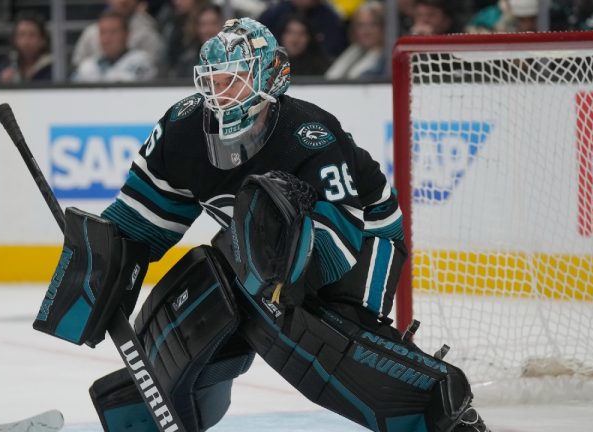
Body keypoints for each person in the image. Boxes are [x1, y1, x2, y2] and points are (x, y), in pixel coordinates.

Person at [41, 17, 491, 432]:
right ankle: (146, 416)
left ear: (266, 79)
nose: (219, 93)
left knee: (320, 332)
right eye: (213, 81)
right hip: (261, 243)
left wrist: (277, 284)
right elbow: (140, 222)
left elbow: (338, 248)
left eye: (233, 81)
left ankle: (438, 411)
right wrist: (104, 270)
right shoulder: (181, 130)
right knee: (208, 292)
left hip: (368, 236)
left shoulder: (311, 134)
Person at [72, 0, 164, 70]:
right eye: (103, 33)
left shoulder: (148, 31)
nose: (123, 1)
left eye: (113, 32)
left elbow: (156, 70)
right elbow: (77, 67)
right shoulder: (91, 32)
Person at [72, 11, 158, 82]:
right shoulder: (88, 66)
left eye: (113, 32)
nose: (106, 39)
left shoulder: (141, 61)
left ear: (126, 35)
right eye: (103, 33)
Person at [325, 1, 385, 80]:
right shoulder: (353, 51)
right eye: (361, 25)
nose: (366, 31)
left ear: (383, 27)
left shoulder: (387, 60)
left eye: (373, 24)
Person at [0, 11, 52, 83]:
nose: (26, 41)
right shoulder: (6, 65)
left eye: (32, 35)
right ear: (15, 39)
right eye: (21, 35)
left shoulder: (53, 68)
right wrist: (2, 82)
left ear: (42, 40)